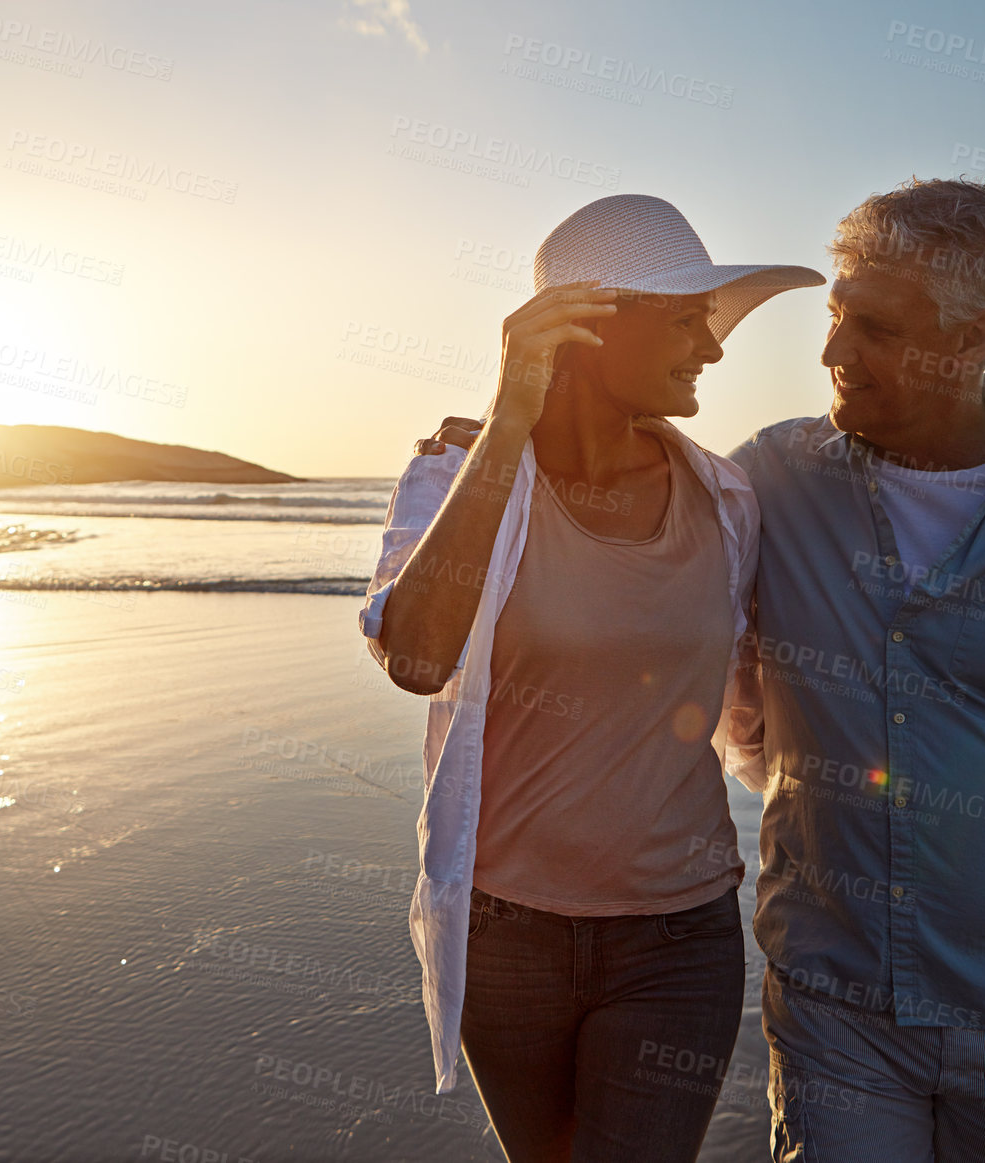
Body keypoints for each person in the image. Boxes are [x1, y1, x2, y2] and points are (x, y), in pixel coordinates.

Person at [419, 178, 985, 1162]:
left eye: (875, 329)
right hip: (831, 1013)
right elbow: (629, 519)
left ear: (976, 335)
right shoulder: (768, 478)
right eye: (835, 316)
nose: (830, 353)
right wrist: (495, 449)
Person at [357, 193, 822, 1160]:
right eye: (688, 318)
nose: (714, 347)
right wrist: (507, 422)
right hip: (507, 932)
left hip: (677, 934)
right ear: (596, 322)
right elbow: (417, 656)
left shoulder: (726, 497)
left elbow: (760, 689)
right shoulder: (456, 476)